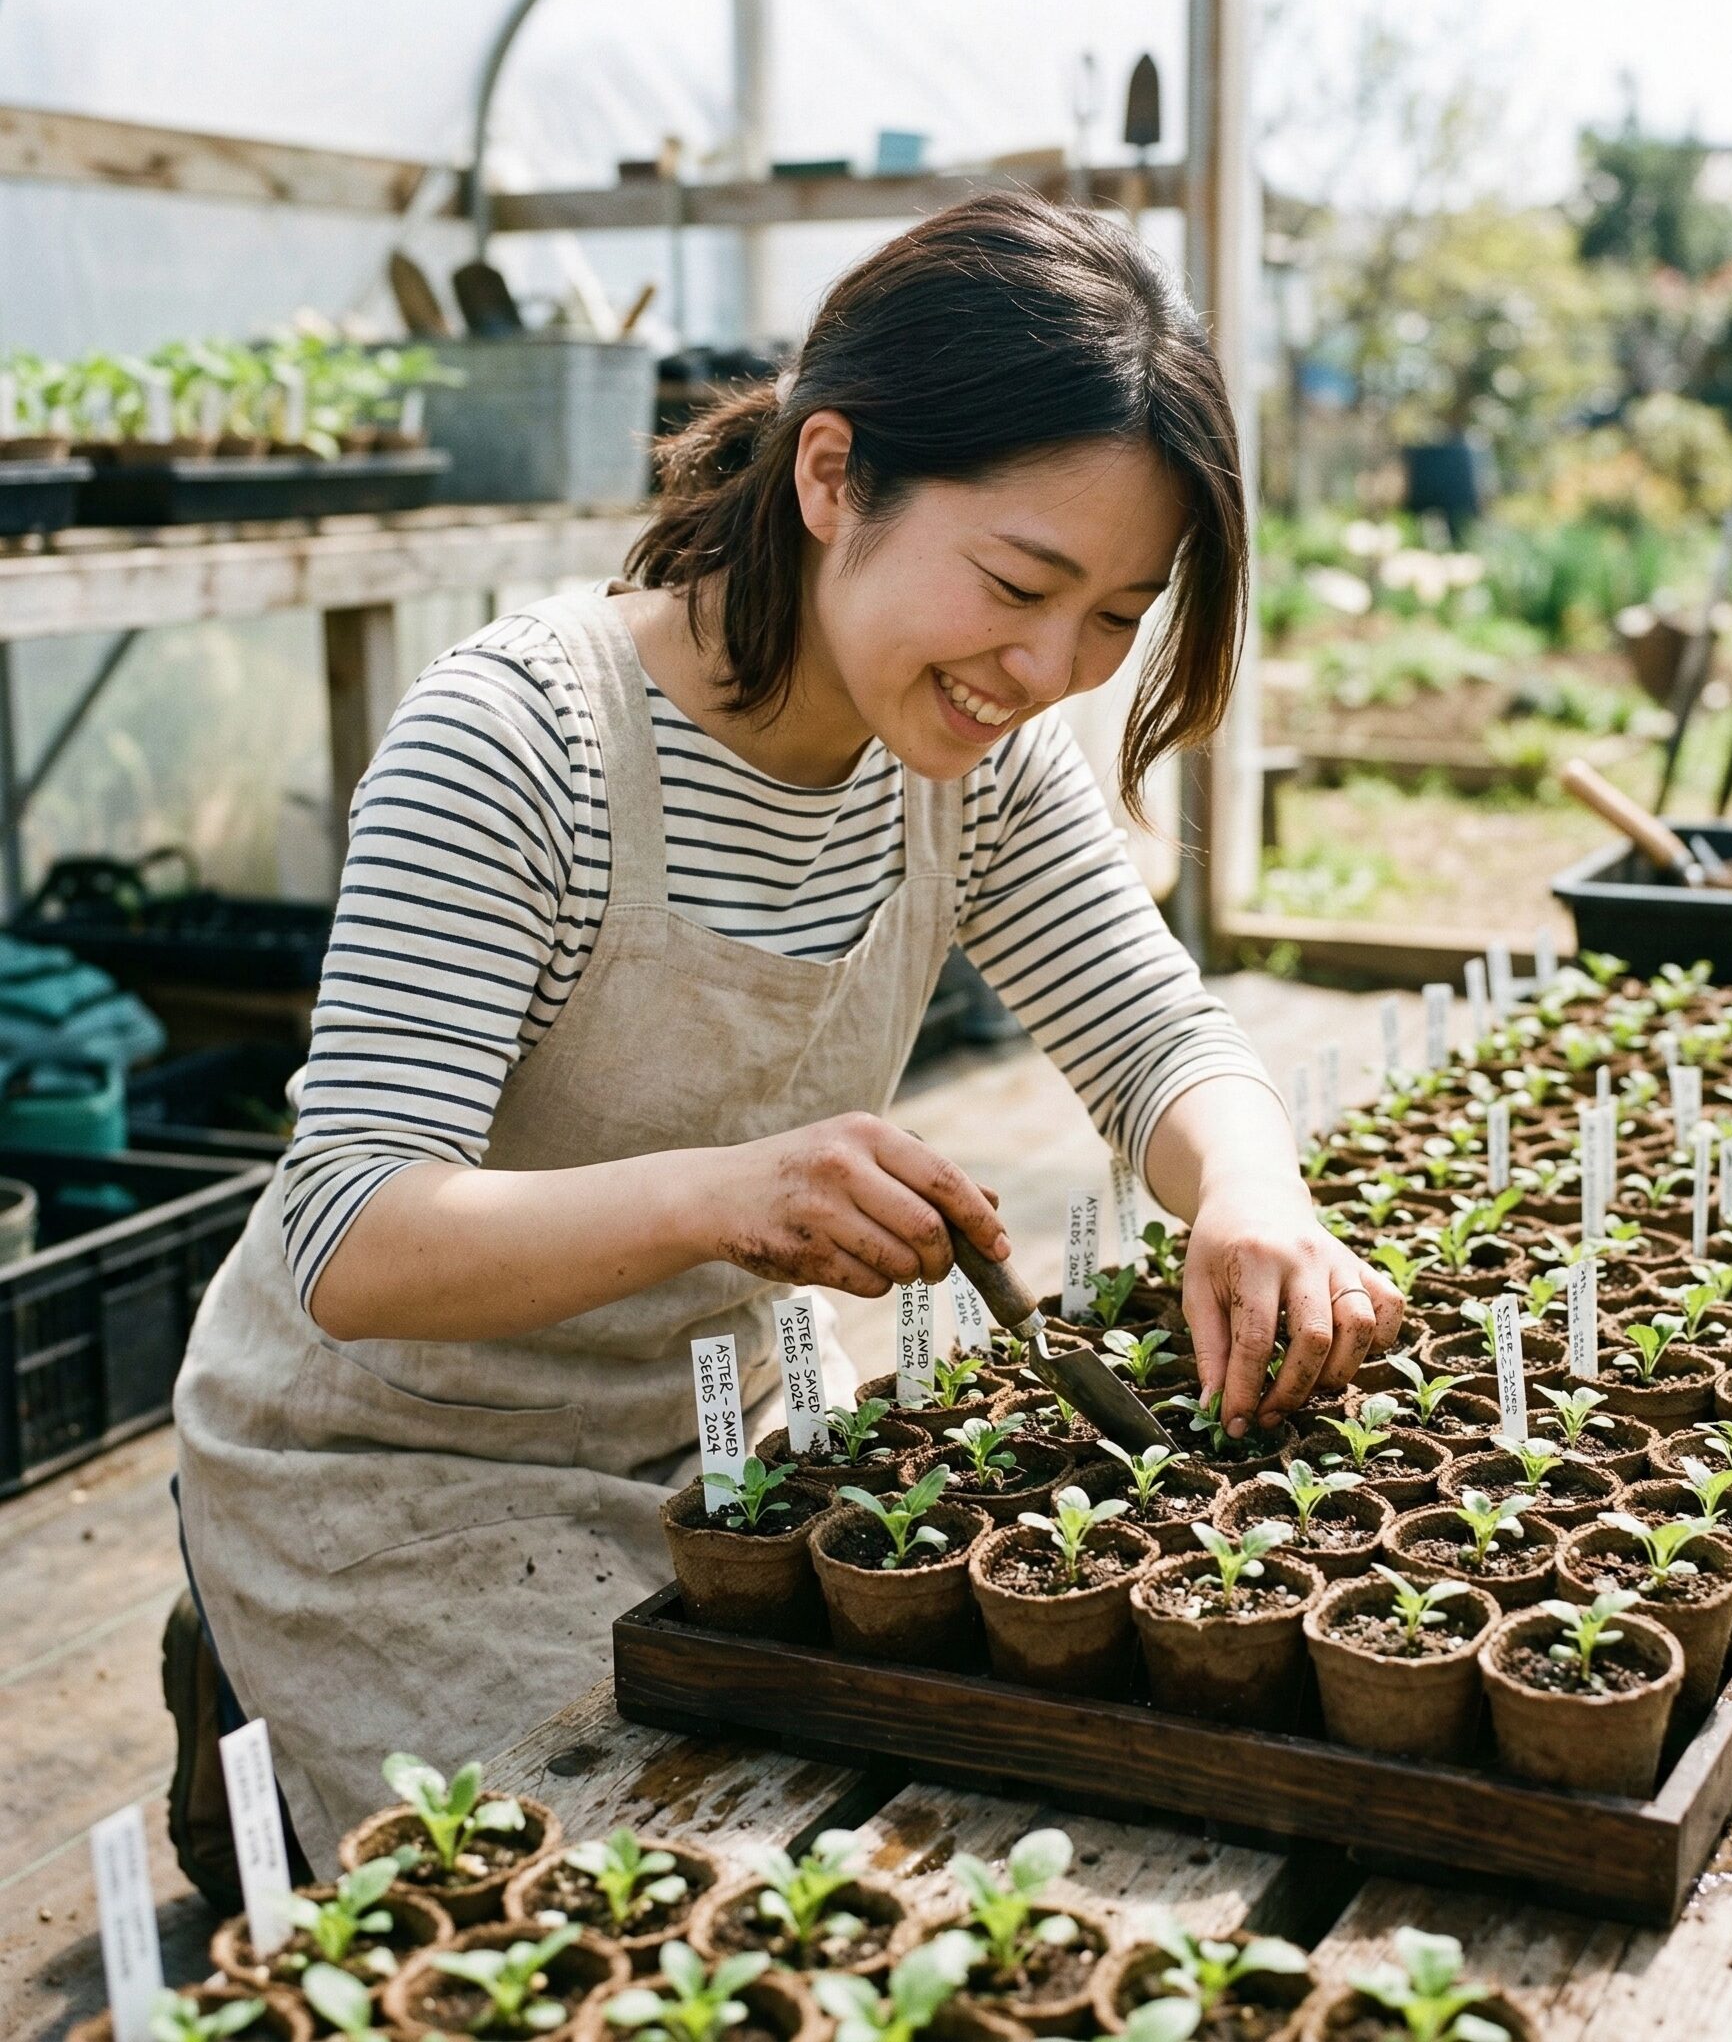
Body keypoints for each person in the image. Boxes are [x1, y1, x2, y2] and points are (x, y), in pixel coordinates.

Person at [170, 192, 1402, 1874]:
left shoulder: (970, 761)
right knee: (646, 1899)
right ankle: (245, 1653)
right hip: (395, 1465)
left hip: (714, 1444)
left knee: (945, 1845)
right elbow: (351, 1236)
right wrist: (727, 1196)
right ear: (833, 478)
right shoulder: (520, 739)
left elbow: (1156, 1038)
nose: (1048, 668)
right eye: (1020, 583)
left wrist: (1259, 1200)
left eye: (1116, 617)